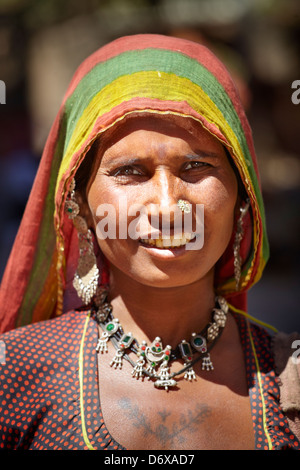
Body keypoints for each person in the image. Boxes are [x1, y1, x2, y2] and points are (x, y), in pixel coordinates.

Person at [0, 34, 299, 451]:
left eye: (196, 166)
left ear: (242, 197)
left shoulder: (290, 379)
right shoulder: (15, 376)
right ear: (80, 205)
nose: (166, 205)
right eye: (130, 171)